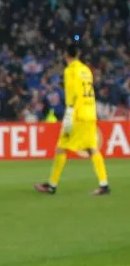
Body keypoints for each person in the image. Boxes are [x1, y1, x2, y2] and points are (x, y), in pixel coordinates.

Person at [35, 44, 109, 195]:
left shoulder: (70, 71)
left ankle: (52, 185)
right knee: (92, 148)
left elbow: (72, 93)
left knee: (61, 147)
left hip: (77, 114)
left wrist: (69, 114)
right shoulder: (86, 70)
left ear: (65, 55)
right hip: (90, 112)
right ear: (78, 54)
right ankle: (104, 184)